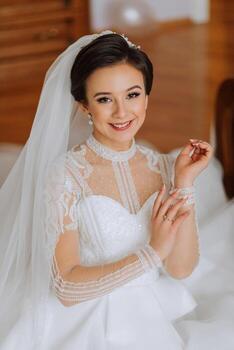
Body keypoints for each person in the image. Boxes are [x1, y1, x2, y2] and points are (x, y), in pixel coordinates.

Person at [0, 30, 233, 350]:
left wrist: (184, 184)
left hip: (151, 315)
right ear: (84, 106)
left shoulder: (165, 168)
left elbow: (180, 269)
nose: (122, 112)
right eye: (105, 99)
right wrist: (150, 254)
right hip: (83, 321)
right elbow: (65, 287)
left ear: (147, 96)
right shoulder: (66, 174)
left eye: (133, 95)